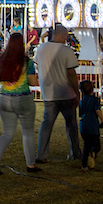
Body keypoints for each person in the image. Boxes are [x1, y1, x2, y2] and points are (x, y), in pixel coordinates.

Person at [0, 32, 40, 174]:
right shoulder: (27, 62)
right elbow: (33, 82)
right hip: (23, 98)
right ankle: (30, 164)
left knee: (7, 133)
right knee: (28, 133)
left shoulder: (2, 59)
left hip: (5, 98)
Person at [35, 23, 82, 163]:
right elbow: (71, 73)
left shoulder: (41, 49)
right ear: (62, 35)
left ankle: (41, 154)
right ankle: (75, 152)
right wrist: (76, 90)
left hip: (48, 92)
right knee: (71, 125)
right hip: (65, 92)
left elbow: (38, 66)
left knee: (47, 124)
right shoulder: (66, 50)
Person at [78, 80, 103, 170]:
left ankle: (84, 165)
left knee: (86, 146)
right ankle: (92, 153)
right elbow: (97, 110)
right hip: (92, 126)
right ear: (92, 89)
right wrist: (102, 120)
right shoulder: (95, 100)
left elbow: (81, 114)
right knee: (96, 145)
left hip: (83, 126)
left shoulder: (81, 101)